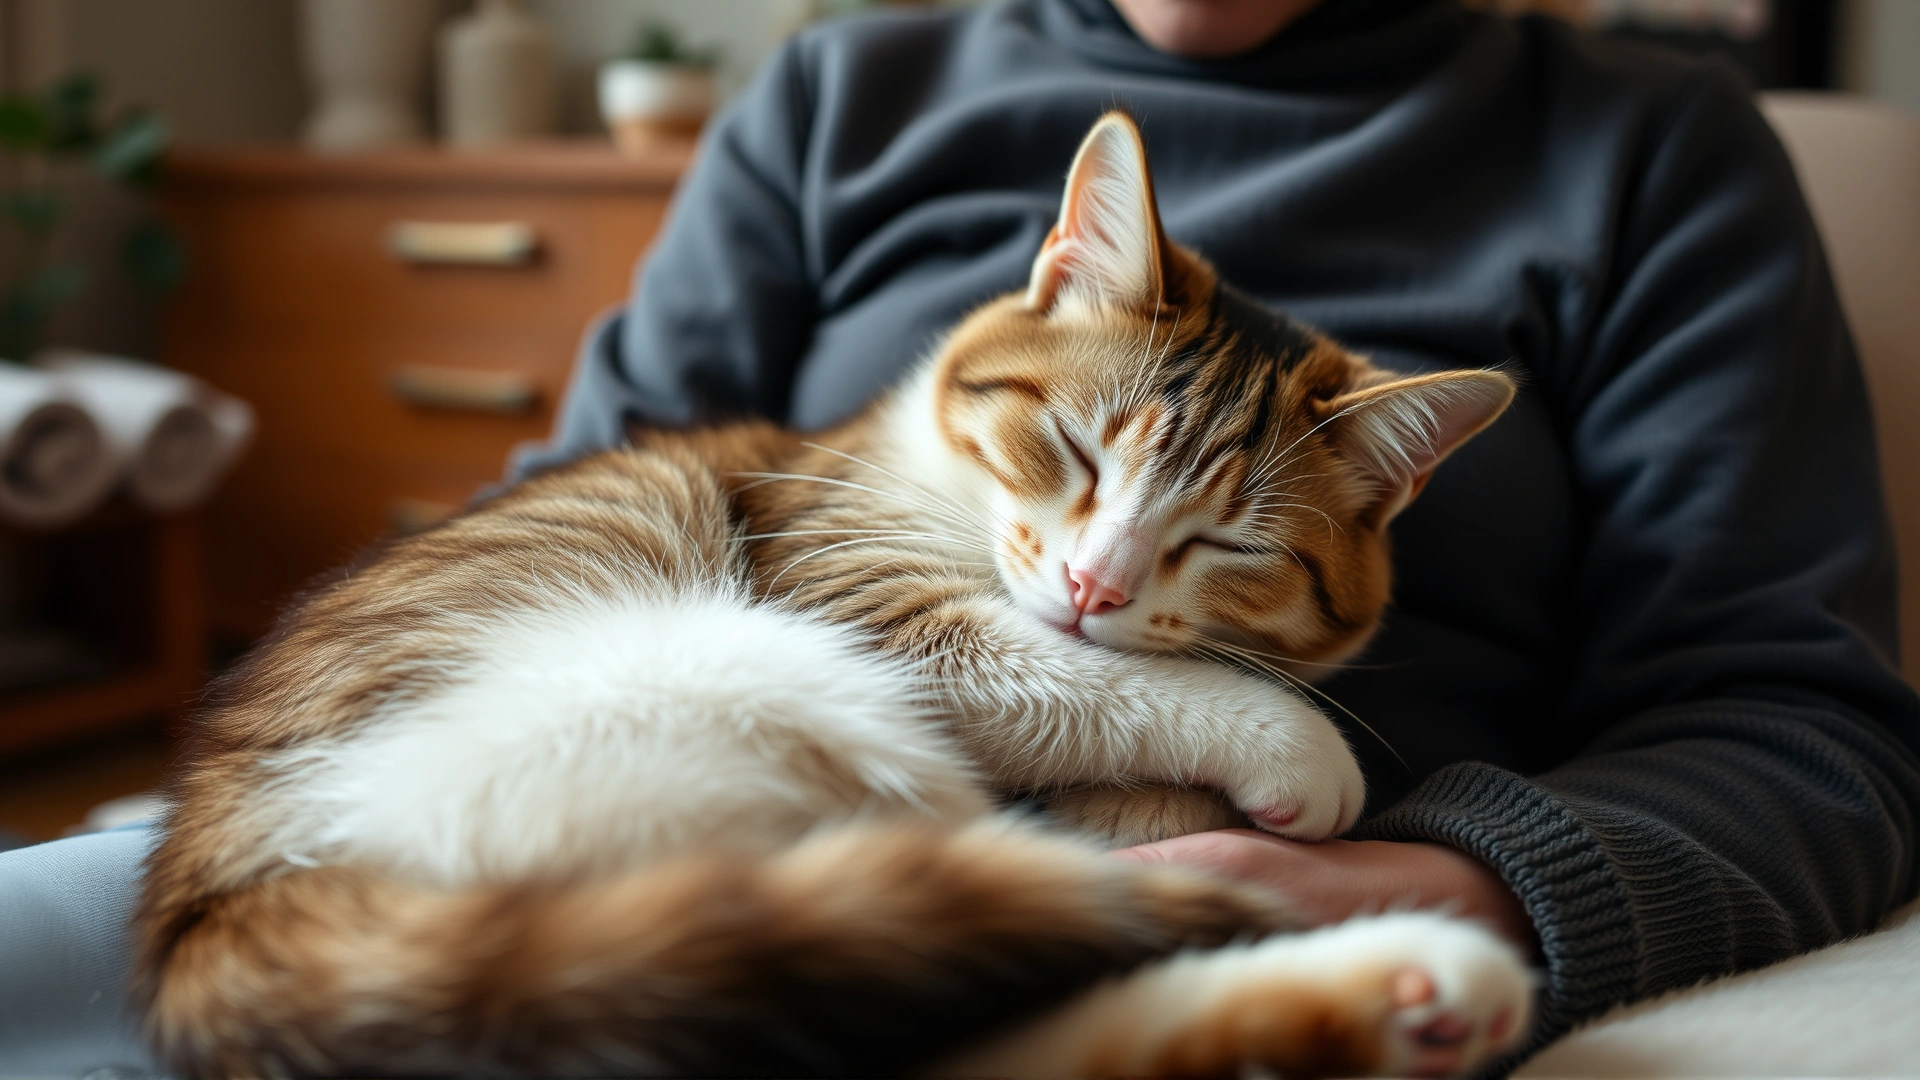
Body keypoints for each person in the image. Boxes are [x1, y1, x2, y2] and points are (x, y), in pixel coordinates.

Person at [0, 0, 1914, 1075]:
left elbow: (1802, 725)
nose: (1092, 573)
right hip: (600, 767)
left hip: (1196, 883)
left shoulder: (1655, 147)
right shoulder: (847, 85)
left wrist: (1473, 877)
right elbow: (567, 516)